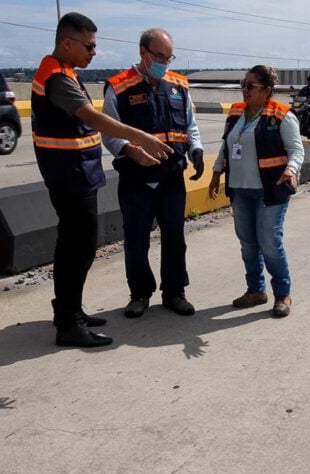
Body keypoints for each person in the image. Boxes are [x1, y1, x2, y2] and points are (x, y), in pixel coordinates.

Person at [32, 13, 173, 348]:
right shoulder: (58, 78)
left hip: (76, 172)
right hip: (70, 176)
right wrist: (142, 138)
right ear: (68, 42)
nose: (94, 53)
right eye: (89, 46)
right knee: (76, 250)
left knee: (77, 247)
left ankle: (69, 310)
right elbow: (94, 118)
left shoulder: (63, 71)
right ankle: (69, 323)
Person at [102, 28, 204, 319]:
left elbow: (190, 125)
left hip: (172, 176)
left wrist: (195, 149)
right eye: (158, 56)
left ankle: (175, 292)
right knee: (136, 239)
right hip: (136, 179)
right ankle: (139, 294)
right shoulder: (119, 86)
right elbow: (108, 132)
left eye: (168, 57)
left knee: (175, 236)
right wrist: (129, 149)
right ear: (142, 53)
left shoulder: (179, 85)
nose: (164, 62)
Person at [207, 65, 304, 317]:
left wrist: (291, 169)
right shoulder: (236, 112)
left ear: (267, 90)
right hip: (240, 188)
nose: (244, 89)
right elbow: (226, 146)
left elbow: (296, 150)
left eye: (251, 85)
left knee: (269, 242)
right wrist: (216, 173)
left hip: (270, 189)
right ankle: (255, 291)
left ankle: (282, 294)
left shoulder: (281, 115)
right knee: (248, 244)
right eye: (243, 84)